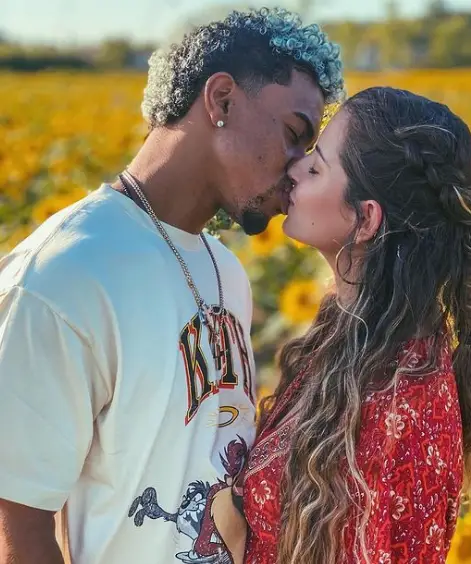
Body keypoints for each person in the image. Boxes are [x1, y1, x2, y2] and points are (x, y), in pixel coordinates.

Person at [0, 7, 344, 564]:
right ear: (222, 100)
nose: (297, 167)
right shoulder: (64, 273)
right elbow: (17, 530)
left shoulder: (227, 271)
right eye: (294, 134)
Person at [241, 87, 469, 563]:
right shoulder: (349, 340)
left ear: (365, 219)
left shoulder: (403, 404)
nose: (295, 166)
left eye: (318, 166)